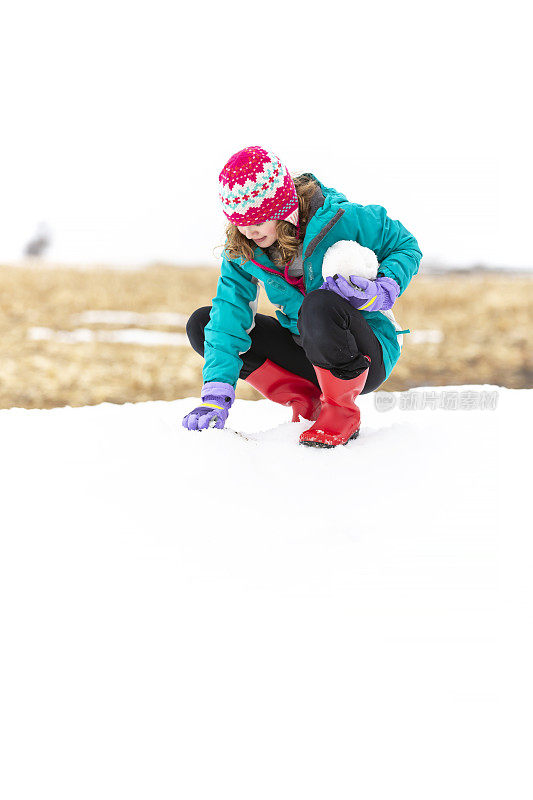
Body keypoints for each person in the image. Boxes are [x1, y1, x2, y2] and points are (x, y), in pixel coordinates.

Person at [182, 146, 422, 448]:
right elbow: (229, 314)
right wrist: (215, 395)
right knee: (204, 324)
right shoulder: (245, 247)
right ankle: (308, 401)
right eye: (240, 221)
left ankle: (341, 411)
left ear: (281, 207)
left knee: (318, 303)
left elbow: (405, 244)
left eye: (258, 219)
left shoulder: (342, 219)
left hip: (362, 353)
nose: (249, 230)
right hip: (305, 352)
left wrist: (383, 290)